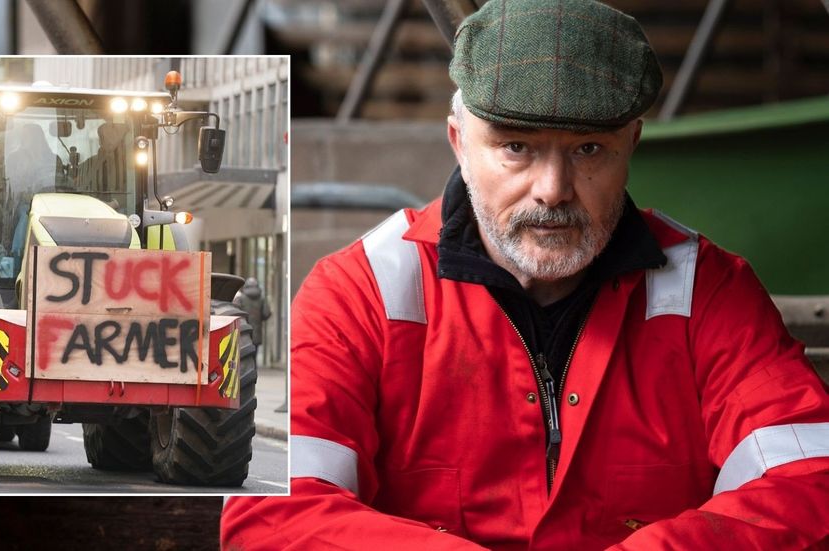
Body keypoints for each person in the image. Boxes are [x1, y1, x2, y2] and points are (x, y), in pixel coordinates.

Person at [222, 0, 829, 548]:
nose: (553, 190)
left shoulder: (709, 294)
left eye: (589, 150)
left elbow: (812, 484)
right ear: (459, 142)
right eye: (516, 147)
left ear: (632, 145)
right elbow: (271, 513)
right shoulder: (359, 295)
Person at [233, 277, 272, 363]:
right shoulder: (261, 299)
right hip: (256, 331)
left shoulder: (241, 298)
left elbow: (234, 312)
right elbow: (267, 313)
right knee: (254, 355)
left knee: (242, 354)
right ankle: (253, 370)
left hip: (243, 331)